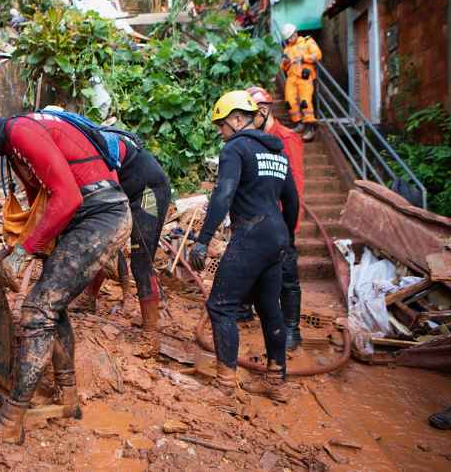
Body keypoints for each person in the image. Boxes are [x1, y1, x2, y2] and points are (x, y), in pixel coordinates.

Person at [0, 94, 132, 459]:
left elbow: (67, 196)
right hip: (86, 220)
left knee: (37, 310)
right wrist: (8, 251)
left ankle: (11, 421)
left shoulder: (20, 134)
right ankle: (68, 395)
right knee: (53, 304)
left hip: (100, 218)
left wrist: (24, 252)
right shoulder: (16, 146)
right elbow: (42, 208)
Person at [189, 90, 298, 402]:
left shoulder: (235, 149)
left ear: (237, 119)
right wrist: (287, 237)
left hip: (251, 233)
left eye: (221, 125)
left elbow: (223, 195)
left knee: (220, 305)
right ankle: (276, 381)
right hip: (275, 235)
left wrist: (203, 240)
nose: (221, 133)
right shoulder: (277, 152)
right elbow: (291, 200)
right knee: (268, 307)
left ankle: (225, 384)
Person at [60, 114, 171, 357]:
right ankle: (89, 298)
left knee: (141, 260)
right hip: (124, 193)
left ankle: (151, 335)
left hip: (148, 194)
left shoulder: (92, 144)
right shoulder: (82, 143)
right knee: (101, 240)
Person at [247, 86, 305, 350]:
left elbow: (295, 187)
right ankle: (247, 309)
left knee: (287, 274)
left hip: (280, 218)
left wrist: (290, 225)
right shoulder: (256, 139)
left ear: (263, 111)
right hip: (259, 217)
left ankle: (292, 328)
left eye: (249, 115)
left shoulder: (287, 138)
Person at [280, 23, 322, 142]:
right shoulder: (287, 49)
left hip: (304, 77)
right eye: (287, 38)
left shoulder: (307, 42)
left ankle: (310, 127)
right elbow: (283, 67)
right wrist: (285, 62)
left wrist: (304, 57)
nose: (289, 40)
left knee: (305, 102)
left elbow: (318, 55)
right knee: (289, 100)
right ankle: (299, 122)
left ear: (295, 33)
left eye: (290, 37)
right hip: (291, 78)